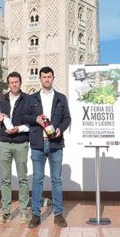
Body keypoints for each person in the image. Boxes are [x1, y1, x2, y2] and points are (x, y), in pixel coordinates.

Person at [28, 66, 71, 228]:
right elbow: (25, 116)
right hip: (38, 144)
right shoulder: (32, 98)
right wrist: (35, 120)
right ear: (40, 78)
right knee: (38, 180)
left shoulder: (61, 98)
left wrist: (61, 128)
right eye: (44, 77)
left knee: (56, 180)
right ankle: (35, 215)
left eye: (49, 77)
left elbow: (67, 118)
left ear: (53, 78)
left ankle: (58, 214)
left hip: (55, 143)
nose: (46, 79)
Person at [0, 71, 38, 224]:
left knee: (22, 179)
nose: (14, 84)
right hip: (5, 142)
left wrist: (18, 129)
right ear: (8, 84)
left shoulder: (28, 99)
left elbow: (31, 123)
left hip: (21, 143)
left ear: (20, 82)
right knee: (5, 179)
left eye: (16, 82)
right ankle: (6, 212)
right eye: (11, 82)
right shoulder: (1, 99)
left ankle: (24, 211)